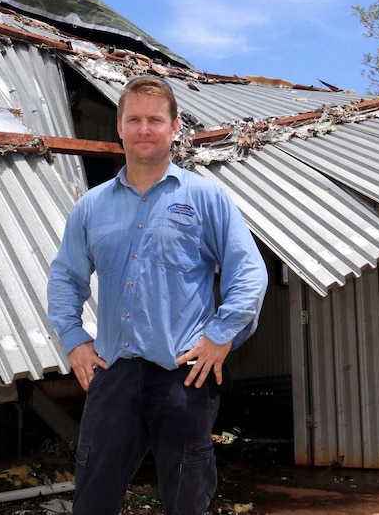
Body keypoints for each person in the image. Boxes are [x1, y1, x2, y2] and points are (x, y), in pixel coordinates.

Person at [47, 75, 268, 515]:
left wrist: (221, 336)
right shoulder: (91, 206)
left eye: (154, 120)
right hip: (114, 374)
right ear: (120, 127)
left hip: (183, 376)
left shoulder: (206, 197)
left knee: (186, 500)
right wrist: (73, 340)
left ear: (174, 127)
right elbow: (65, 277)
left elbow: (249, 272)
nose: (144, 129)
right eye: (134, 120)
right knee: (92, 500)